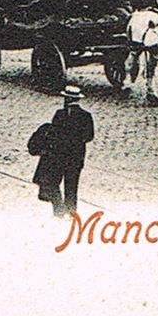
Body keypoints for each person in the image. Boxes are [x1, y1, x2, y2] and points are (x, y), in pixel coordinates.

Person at [27, 84, 95, 217]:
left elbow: (53, 134)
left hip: (59, 157)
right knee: (72, 187)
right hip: (76, 158)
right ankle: (71, 213)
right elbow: (89, 136)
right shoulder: (86, 116)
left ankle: (58, 211)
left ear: (67, 99)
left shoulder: (60, 114)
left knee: (53, 183)